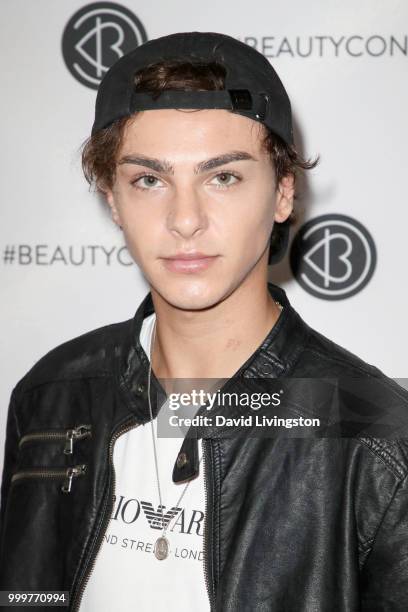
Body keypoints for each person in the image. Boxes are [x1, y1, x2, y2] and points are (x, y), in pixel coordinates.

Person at [1, 30, 407, 612]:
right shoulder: (52, 393)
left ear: (283, 194)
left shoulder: (375, 437)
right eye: (149, 180)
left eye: (224, 177)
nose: (185, 219)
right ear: (113, 200)